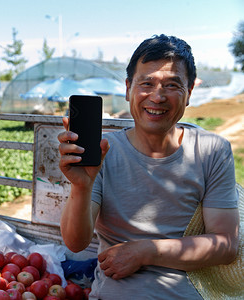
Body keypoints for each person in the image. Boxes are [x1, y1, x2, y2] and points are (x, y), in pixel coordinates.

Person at [58, 34, 239, 299]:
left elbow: (226, 245)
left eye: (172, 85)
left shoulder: (212, 151)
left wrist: (146, 251)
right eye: (147, 83)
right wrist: (81, 187)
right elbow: (75, 242)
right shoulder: (102, 152)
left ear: (188, 93)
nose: (157, 96)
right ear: (128, 88)